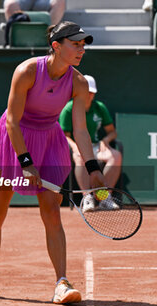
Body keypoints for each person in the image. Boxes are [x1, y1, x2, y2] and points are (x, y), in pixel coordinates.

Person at [0, 21, 105, 304]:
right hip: (13, 139)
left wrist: (93, 168)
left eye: (83, 45)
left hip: (50, 141)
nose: (81, 50)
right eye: (75, 44)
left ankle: (62, 283)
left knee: (52, 213)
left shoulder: (78, 82)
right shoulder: (28, 71)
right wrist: (26, 162)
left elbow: (80, 129)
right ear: (56, 45)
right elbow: (12, 121)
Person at [59, 75, 122, 211]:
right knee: (80, 158)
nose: (89, 95)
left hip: (95, 146)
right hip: (77, 148)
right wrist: (75, 147)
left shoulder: (99, 107)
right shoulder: (68, 109)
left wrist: (105, 141)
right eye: (86, 92)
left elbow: (112, 132)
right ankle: (87, 197)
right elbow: (64, 136)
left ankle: (104, 197)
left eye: (91, 92)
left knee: (115, 155)